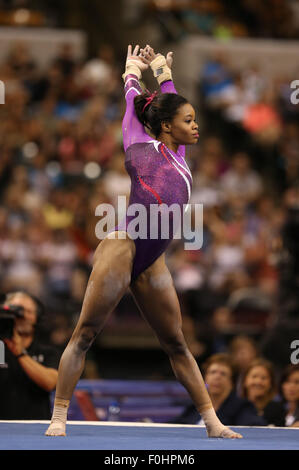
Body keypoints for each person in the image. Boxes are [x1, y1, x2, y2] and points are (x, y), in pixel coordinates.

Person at [45, 44, 242, 439]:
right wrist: (132, 73)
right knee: (84, 334)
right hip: (125, 245)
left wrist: (162, 69)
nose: (195, 125)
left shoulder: (181, 153)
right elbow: (136, 99)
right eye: (189, 120)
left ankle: (213, 423)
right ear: (168, 125)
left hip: (153, 259)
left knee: (177, 344)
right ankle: (59, 416)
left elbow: (171, 100)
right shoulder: (138, 141)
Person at [0, 290, 59, 419]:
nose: (23, 316)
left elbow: (50, 383)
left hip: (35, 431)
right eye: (16, 311)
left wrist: (20, 354)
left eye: (29, 312)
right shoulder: (0, 349)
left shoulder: (47, 351)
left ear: (37, 317)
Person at [171, 353, 265, 426]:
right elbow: (173, 425)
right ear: (205, 378)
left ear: (232, 383)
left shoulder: (242, 407)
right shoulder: (195, 406)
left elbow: (255, 427)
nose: (217, 377)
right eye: (213, 372)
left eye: (223, 374)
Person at [239, 358, 285, 426]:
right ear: (245, 381)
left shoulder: (278, 410)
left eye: (263, 378)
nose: (258, 382)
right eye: (254, 377)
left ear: (271, 384)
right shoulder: (237, 408)